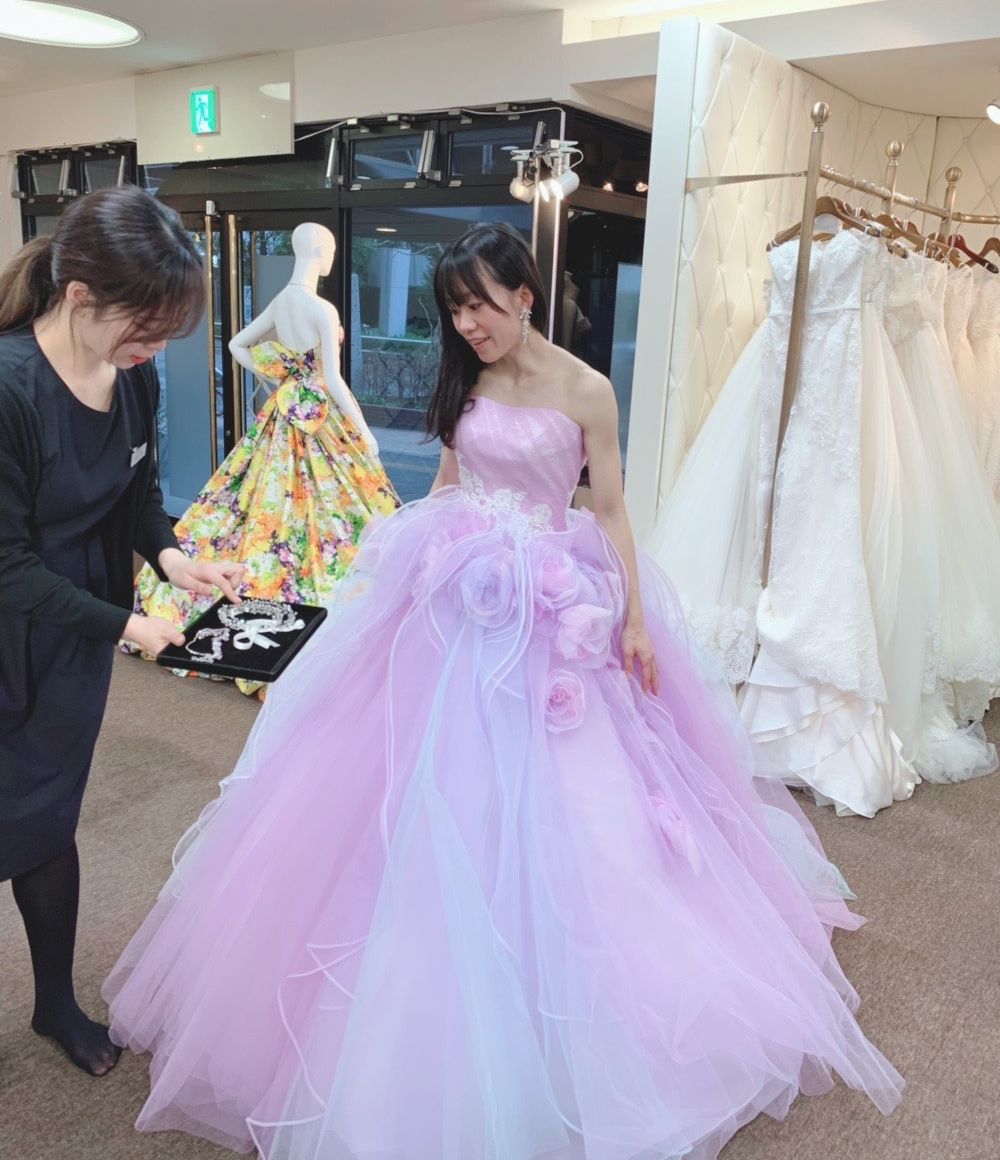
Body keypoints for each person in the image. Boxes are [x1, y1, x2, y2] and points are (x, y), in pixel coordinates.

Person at [105, 223, 902, 1158]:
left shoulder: (588, 389)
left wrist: (634, 618)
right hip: (458, 594)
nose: (466, 324)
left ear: (525, 294)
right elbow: (450, 482)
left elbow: (609, 509)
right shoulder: (467, 379)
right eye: (453, 309)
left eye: (479, 304)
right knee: (406, 780)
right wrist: (395, 568)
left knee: (575, 799)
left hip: (552, 601)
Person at [0, 185, 244, 1076]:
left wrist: (174, 559)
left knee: (46, 815)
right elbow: (8, 566)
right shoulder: (11, 389)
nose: (156, 350)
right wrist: (129, 625)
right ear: (78, 296)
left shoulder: (130, 376)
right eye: (146, 329)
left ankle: (54, 1003)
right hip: (17, 629)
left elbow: (135, 494)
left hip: (75, 637)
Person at [127, 222, 398, 697]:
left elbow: (237, 345)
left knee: (261, 500)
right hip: (320, 421)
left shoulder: (283, 302)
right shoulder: (320, 308)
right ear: (320, 250)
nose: (332, 257)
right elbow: (333, 380)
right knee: (327, 507)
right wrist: (364, 430)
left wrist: (280, 378)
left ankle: (254, 589)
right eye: (331, 248)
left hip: (282, 418)